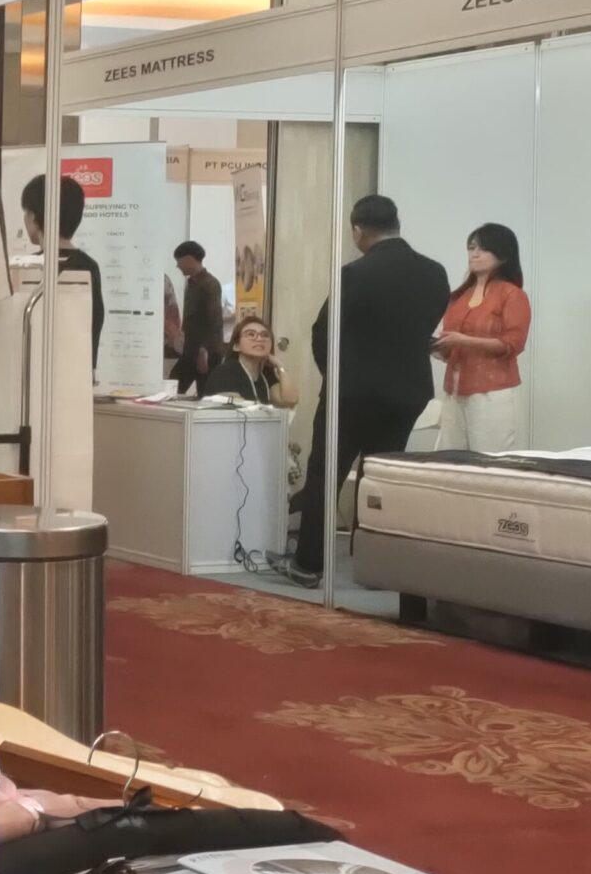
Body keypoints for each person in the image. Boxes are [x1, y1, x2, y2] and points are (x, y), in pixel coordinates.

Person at [287, 194, 450, 584]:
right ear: (397, 224)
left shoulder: (355, 274)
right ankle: (375, 563)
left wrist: (334, 375)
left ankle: (309, 564)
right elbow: (425, 325)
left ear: (358, 230)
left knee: (327, 472)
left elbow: (323, 331)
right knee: (381, 477)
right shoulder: (434, 273)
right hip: (407, 393)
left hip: (352, 393)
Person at [434, 222, 532, 452]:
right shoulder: (459, 297)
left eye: (483, 249)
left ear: (503, 256)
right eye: (471, 248)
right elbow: (450, 347)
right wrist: (438, 346)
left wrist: (463, 340)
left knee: (490, 459)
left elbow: (513, 344)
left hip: (492, 391)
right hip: (454, 390)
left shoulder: (512, 294)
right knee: (452, 459)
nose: (474, 254)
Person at [21, 173, 103, 369]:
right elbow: (94, 326)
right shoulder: (90, 266)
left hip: (30, 374)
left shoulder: (28, 266)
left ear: (33, 217)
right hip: (78, 374)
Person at [200, 314, 297, 407]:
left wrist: (280, 366)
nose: (259, 339)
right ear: (236, 346)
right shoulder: (225, 372)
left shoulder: (265, 374)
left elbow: (290, 400)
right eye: (251, 334)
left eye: (265, 335)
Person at [174, 240, 225, 394]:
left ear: (189, 259)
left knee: (205, 395)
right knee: (173, 386)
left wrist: (204, 351)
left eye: (179, 261)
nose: (177, 266)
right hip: (190, 350)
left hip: (207, 353)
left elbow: (214, 321)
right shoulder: (191, 284)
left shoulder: (210, 284)